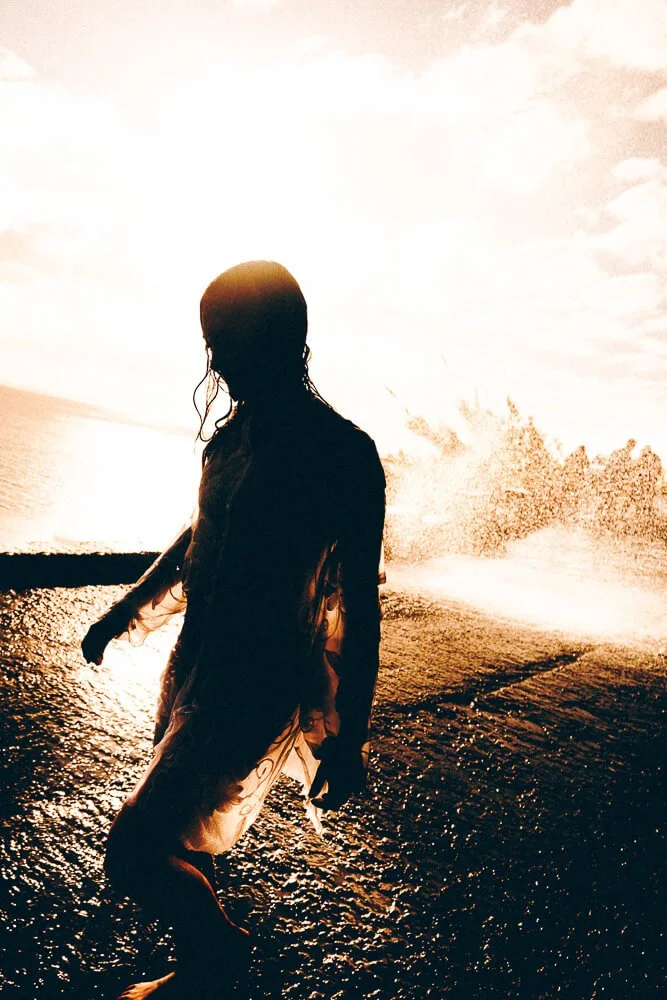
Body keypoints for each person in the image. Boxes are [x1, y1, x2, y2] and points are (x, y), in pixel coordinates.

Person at [81, 261, 386, 999]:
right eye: (209, 342)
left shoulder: (341, 454)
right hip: (198, 663)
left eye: (227, 340)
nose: (216, 360)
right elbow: (200, 535)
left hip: (259, 680)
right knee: (186, 832)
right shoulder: (233, 437)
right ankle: (200, 971)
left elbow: (362, 604)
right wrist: (127, 610)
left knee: (133, 850)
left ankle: (218, 951)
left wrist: (349, 736)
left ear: (280, 338)